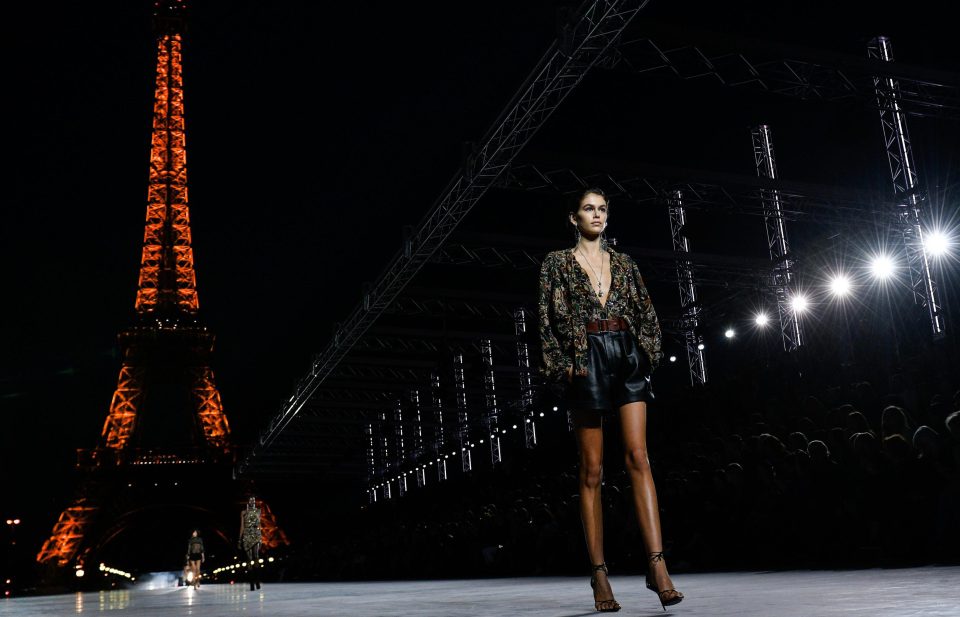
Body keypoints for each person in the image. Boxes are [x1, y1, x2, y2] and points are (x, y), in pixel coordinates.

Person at [538, 188, 682, 612]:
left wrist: (647, 354)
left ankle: (657, 566)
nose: (596, 215)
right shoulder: (557, 263)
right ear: (573, 217)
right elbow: (546, 320)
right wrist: (562, 366)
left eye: (602, 209)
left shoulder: (624, 262)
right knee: (592, 470)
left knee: (639, 457)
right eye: (588, 208)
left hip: (626, 352)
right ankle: (599, 574)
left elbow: (646, 311)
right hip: (586, 358)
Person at [239, 495, 262, 591]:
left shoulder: (258, 511)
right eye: (250, 500)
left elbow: (259, 525)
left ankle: (257, 580)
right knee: (249, 559)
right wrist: (239, 539)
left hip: (256, 534)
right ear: (247, 502)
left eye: (254, 500)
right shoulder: (243, 512)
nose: (252, 501)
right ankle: (252, 582)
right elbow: (242, 526)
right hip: (247, 535)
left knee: (256, 557)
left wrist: (261, 538)